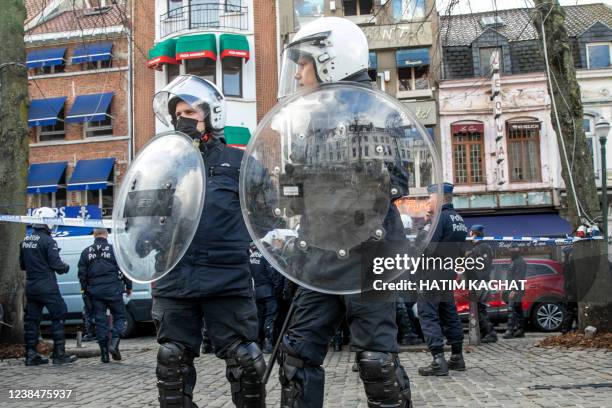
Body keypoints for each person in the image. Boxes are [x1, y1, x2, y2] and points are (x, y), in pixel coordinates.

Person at [275, 17, 413, 407]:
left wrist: (340, 185)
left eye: (303, 64)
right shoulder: (310, 120)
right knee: (296, 359)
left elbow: (396, 183)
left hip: (370, 253)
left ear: (329, 60)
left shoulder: (376, 112)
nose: (299, 74)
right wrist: (293, 190)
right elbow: (297, 194)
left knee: (376, 362)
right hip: (319, 250)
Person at [150, 75, 265, 408]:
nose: (183, 118)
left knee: (246, 362)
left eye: (190, 111)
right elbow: (141, 223)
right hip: (175, 278)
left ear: (212, 114)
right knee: (171, 362)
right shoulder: (161, 167)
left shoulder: (239, 162)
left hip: (227, 279)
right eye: (178, 113)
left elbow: (268, 214)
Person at [416, 183, 467, 376]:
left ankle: (438, 359)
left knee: (428, 314)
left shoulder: (439, 219)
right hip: (448, 272)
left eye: (430, 197)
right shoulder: (458, 219)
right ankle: (457, 356)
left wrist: (425, 226)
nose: (428, 201)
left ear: (439, 197)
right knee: (449, 312)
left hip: (432, 273)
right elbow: (463, 250)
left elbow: (425, 247)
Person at [20, 207, 77, 366]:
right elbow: (57, 265)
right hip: (47, 287)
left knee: (32, 321)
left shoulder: (25, 240)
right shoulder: (49, 241)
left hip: (31, 287)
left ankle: (30, 355)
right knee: (59, 314)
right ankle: (59, 354)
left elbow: (22, 265)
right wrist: (65, 267)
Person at [78, 228, 131, 363]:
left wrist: (86, 290)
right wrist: (128, 287)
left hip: (95, 292)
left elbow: (82, 275)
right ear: (106, 235)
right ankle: (114, 344)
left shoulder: (86, 252)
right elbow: (125, 269)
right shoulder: (115, 250)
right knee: (120, 317)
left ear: (94, 236)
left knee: (100, 322)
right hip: (113, 289)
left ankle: (104, 354)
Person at [249, 242, 282, 354]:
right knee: (270, 317)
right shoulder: (265, 256)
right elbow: (273, 274)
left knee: (259, 318)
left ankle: (258, 342)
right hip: (268, 291)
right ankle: (268, 343)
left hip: (256, 291)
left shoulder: (251, 256)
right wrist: (277, 289)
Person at [466, 225, 497, 343]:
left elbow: (484, 266)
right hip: (477, 282)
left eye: (471, 233)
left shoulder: (483, 247)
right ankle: (485, 333)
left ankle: (490, 333)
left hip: (481, 282)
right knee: (479, 309)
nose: (470, 235)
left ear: (474, 234)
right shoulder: (476, 247)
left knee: (480, 309)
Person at [503, 248, 527, 339]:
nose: (510, 252)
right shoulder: (515, 261)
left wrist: (514, 290)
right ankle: (520, 330)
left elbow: (519, 277)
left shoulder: (519, 262)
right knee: (517, 309)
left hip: (516, 288)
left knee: (511, 309)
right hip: (513, 288)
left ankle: (510, 330)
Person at [561, 246, 578, 334]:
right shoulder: (569, 264)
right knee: (572, 310)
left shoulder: (569, 264)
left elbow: (569, 279)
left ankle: (566, 329)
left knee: (570, 310)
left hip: (571, 290)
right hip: (571, 290)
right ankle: (567, 329)